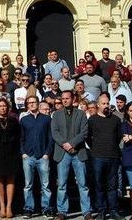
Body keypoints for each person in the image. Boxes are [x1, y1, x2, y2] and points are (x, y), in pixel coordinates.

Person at [50, 90, 92, 220]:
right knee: (62, 184)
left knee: (83, 184)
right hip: (63, 153)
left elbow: (84, 132)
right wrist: (65, 144)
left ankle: (86, 211)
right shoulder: (56, 115)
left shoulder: (81, 114)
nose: (65, 100)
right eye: (63, 98)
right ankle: (62, 211)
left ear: (73, 99)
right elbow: (55, 132)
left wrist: (72, 144)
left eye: (67, 98)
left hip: (78, 152)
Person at [87, 93, 124, 220]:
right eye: (103, 103)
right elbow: (88, 137)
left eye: (107, 103)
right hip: (98, 156)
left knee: (112, 185)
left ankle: (114, 210)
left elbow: (119, 136)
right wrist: (95, 147)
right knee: (99, 185)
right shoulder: (92, 119)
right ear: (98, 105)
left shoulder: (116, 120)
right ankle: (101, 210)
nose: (106, 106)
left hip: (113, 155)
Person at [20, 96, 53, 219]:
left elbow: (50, 138)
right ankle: (28, 208)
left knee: (45, 185)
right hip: (28, 156)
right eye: (29, 103)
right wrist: (23, 153)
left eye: (34, 102)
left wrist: (46, 154)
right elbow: (21, 138)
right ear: (27, 105)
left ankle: (46, 208)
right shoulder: (24, 120)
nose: (32, 104)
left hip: (42, 156)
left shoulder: (46, 119)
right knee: (28, 185)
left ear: (38, 104)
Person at [0, 98, 20, 219]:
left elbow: (18, 137)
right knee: (0, 180)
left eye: (4, 106)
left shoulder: (13, 121)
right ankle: (2, 206)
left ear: (8, 108)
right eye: (0, 106)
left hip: (12, 152)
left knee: (10, 179)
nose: (3, 108)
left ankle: (9, 206)